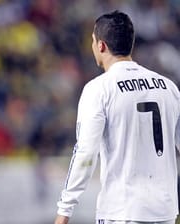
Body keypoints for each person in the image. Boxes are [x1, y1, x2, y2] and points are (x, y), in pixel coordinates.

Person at [55, 10, 180, 224]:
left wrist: (64, 210)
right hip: (165, 211)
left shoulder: (99, 89)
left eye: (93, 41)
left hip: (122, 210)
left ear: (101, 45)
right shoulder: (168, 87)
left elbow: (86, 153)